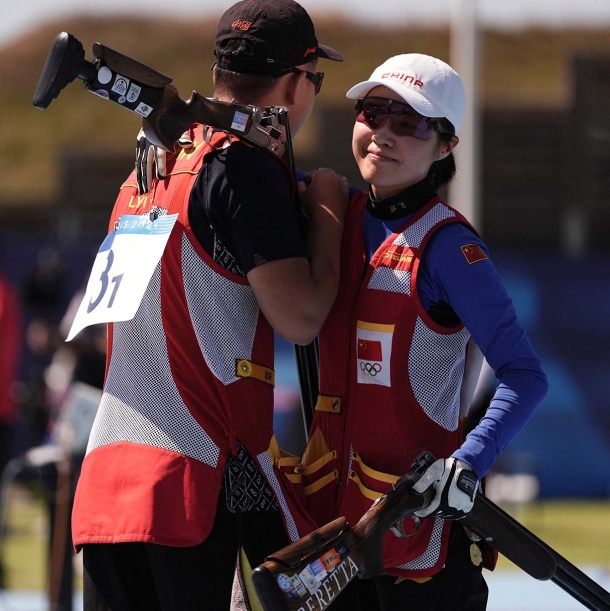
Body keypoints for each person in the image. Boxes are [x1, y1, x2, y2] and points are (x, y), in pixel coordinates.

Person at [69, 1, 347, 610]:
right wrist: (328, 209)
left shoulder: (155, 157)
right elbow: (301, 317)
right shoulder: (241, 166)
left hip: (109, 479)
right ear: (296, 81)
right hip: (192, 482)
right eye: (316, 81)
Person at [301, 53, 549, 611]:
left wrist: (471, 462)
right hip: (328, 538)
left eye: (408, 122)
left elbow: (524, 375)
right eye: (373, 112)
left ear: (446, 146)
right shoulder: (329, 212)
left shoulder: (449, 248)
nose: (383, 134)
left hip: (420, 542)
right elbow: (242, 172)